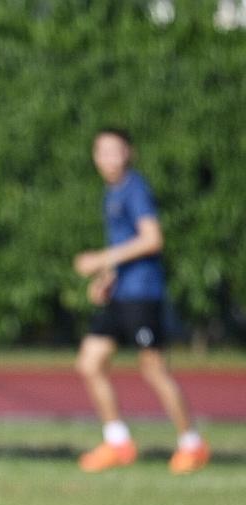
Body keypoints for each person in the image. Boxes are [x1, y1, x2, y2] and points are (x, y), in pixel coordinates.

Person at [72, 128, 208, 474]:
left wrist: (101, 260)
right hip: (120, 295)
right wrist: (105, 279)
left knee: (154, 369)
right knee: (89, 363)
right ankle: (117, 441)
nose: (108, 158)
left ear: (128, 153)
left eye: (114, 151)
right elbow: (125, 246)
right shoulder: (111, 193)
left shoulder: (135, 189)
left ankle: (191, 444)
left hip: (142, 295)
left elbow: (152, 239)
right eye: (101, 152)